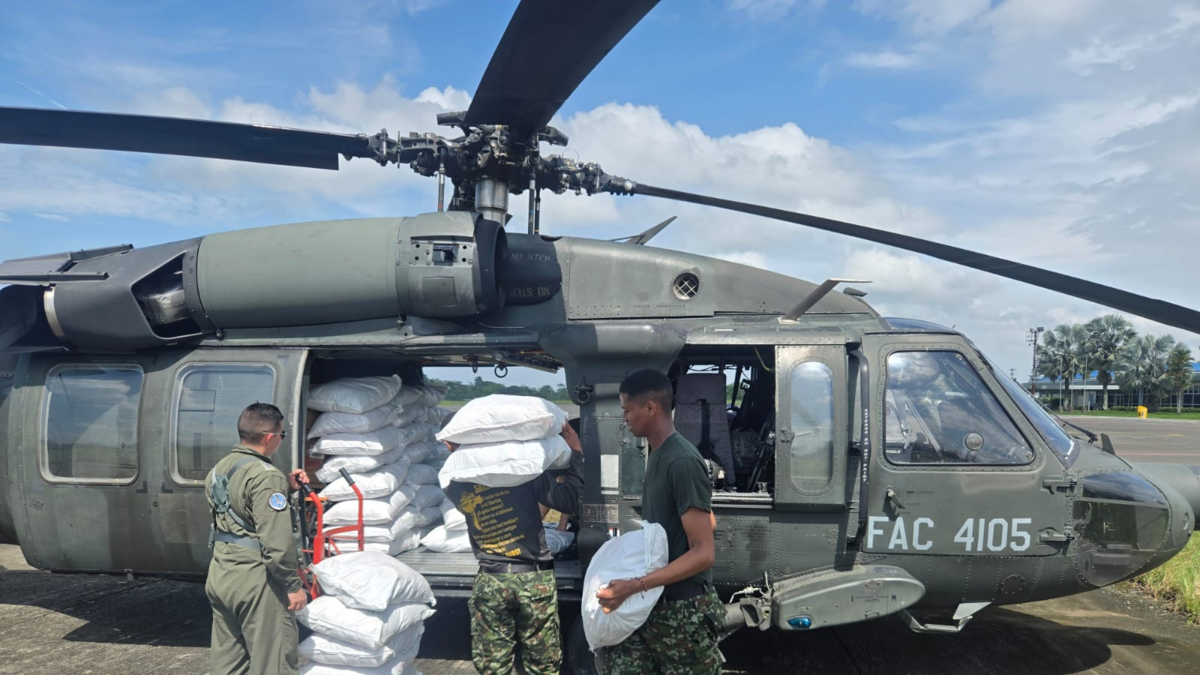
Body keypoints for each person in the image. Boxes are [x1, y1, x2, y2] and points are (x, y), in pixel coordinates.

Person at [596, 368, 723, 675]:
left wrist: (634, 585)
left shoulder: (681, 459)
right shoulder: (659, 455)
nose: (625, 418)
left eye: (628, 410)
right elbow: (708, 521)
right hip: (659, 602)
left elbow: (704, 553)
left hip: (683, 612)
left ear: (650, 407)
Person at [441, 421, 584, 675]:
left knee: (494, 665)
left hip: (491, 579)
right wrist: (577, 454)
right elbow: (569, 500)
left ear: (450, 444)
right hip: (534, 578)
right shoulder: (523, 470)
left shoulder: (455, 481)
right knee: (542, 665)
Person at [205, 402, 310, 675]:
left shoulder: (220, 468)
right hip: (257, 581)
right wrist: (293, 585)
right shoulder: (266, 477)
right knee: (273, 663)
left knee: (228, 664)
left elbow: (238, 511)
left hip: (222, 574)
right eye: (282, 435)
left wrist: (285, 487)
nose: (281, 440)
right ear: (269, 437)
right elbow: (275, 542)